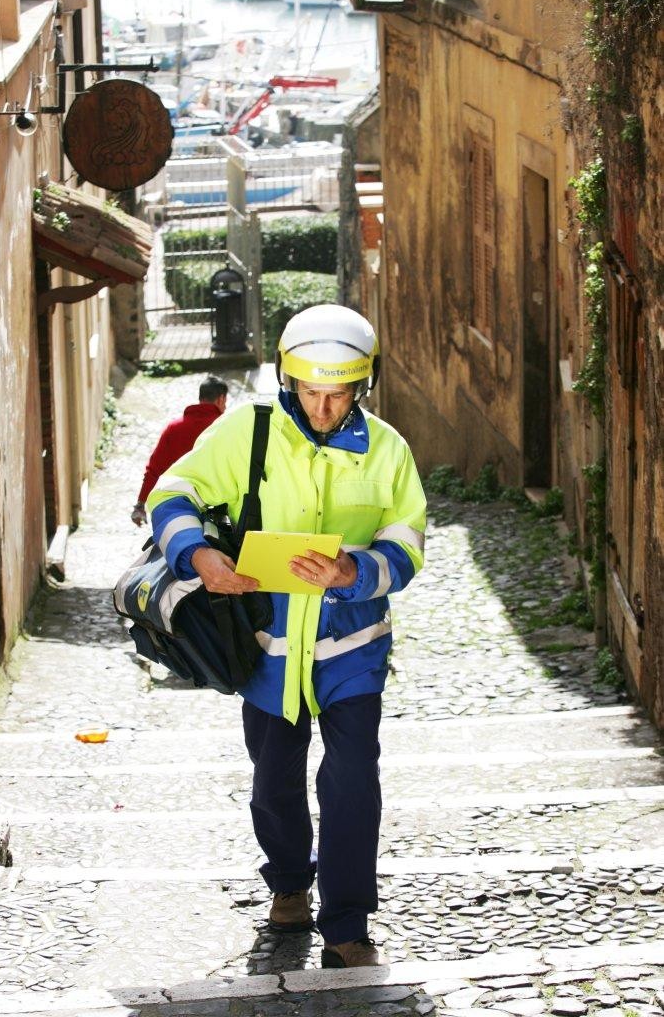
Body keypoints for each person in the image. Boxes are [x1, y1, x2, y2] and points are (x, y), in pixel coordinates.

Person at [147, 305, 426, 968]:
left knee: (352, 782)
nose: (323, 407)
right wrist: (199, 558)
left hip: (352, 651)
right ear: (288, 380)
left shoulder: (388, 450)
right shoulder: (247, 432)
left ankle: (348, 924)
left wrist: (354, 570)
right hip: (266, 652)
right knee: (274, 783)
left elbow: (407, 543)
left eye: (338, 393)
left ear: (364, 385)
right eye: (309, 391)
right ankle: (289, 882)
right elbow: (172, 492)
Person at [130, 377, 228, 525]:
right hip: (216, 508)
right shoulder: (224, 427)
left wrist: (141, 504)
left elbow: (154, 469)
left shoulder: (174, 428)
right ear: (221, 399)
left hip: (177, 508)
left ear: (200, 397)